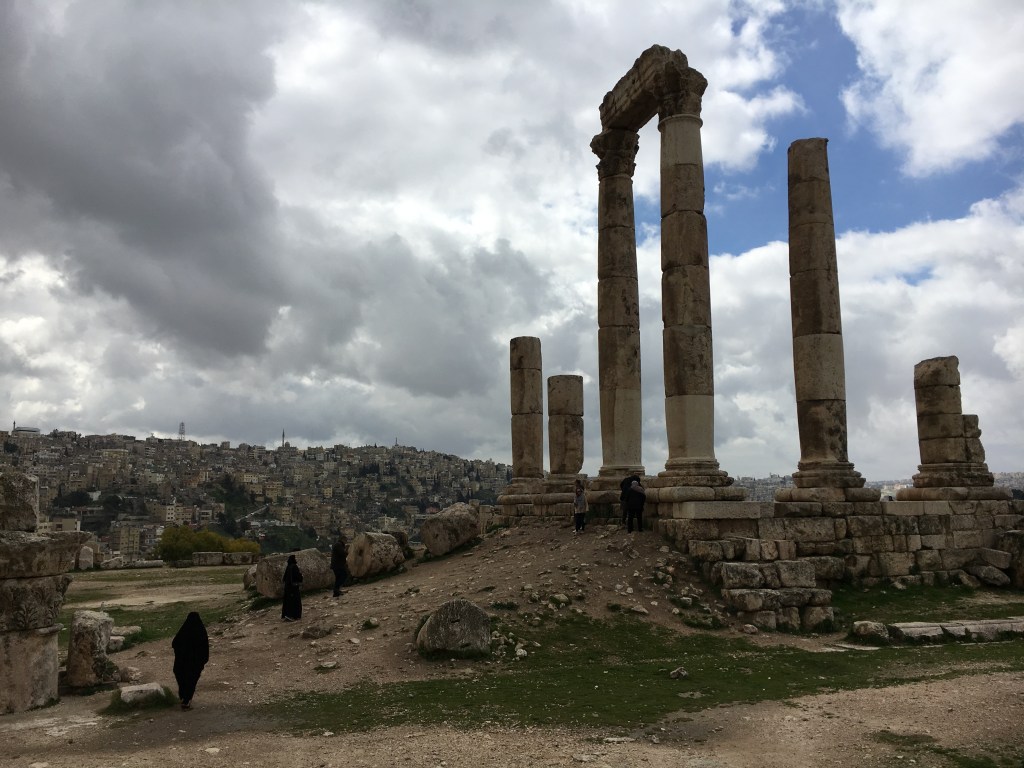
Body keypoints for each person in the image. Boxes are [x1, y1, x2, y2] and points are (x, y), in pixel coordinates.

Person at [171, 611, 209, 710]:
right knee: (191, 682)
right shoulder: (201, 631)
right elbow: (205, 648)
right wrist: (203, 660)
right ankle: (186, 701)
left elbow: (174, 643)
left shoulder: (183, 631)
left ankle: (183, 698)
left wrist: (181, 653)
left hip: (181, 664)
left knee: (183, 681)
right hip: (195, 664)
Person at [282, 553, 303, 621]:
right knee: (295, 601)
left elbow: (284, 578)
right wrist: (301, 576)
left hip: (287, 587)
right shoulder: (294, 567)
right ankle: (293, 616)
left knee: (288, 601)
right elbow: (298, 576)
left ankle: (287, 615)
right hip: (293, 588)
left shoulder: (288, 567)